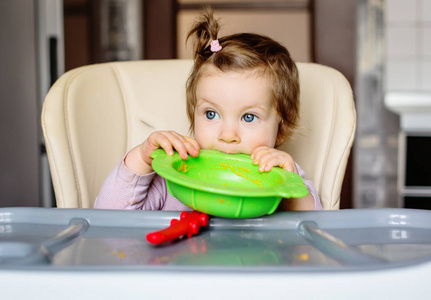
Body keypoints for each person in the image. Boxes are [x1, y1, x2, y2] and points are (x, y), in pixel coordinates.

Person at [94, 8, 322, 211]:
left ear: (282, 128)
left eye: (249, 117)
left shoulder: (283, 173)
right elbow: (108, 215)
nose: (227, 136)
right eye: (211, 114)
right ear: (193, 115)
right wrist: (141, 158)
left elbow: (315, 232)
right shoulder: (173, 176)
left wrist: (288, 191)